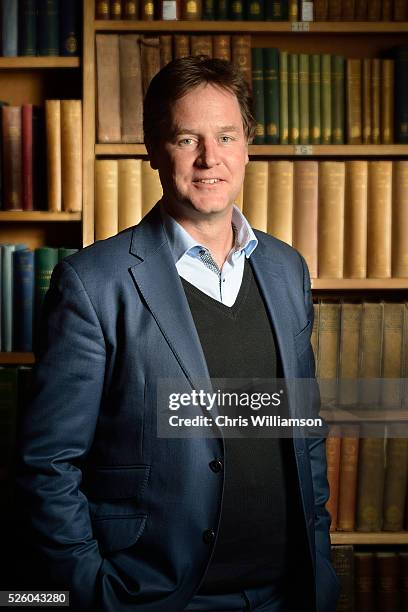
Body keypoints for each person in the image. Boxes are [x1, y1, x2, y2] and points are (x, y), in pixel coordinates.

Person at [17, 56, 340, 611]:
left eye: (225, 136)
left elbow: (303, 434)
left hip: (288, 592)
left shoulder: (288, 271)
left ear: (247, 146)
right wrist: (94, 590)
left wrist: (321, 564)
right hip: (159, 597)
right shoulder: (94, 284)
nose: (209, 158)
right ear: (153, 149)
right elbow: (48, 464)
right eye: (187, 138)